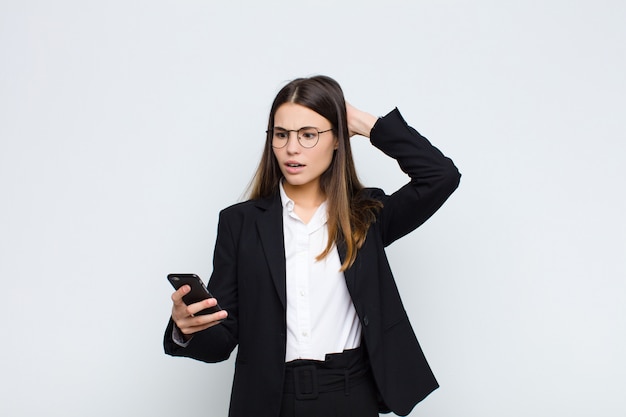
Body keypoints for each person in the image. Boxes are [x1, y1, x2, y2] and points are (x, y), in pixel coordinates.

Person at [164, 75, 460, 417]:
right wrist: (186, 329)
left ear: (337, 140)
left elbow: (441, 176)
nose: (292, 148)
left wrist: (365, 123)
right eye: (281, 134)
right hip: (269, 400)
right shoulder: (240, 223)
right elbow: (222, 340)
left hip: (351, 394)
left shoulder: (366, 216)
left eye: (308, 135)